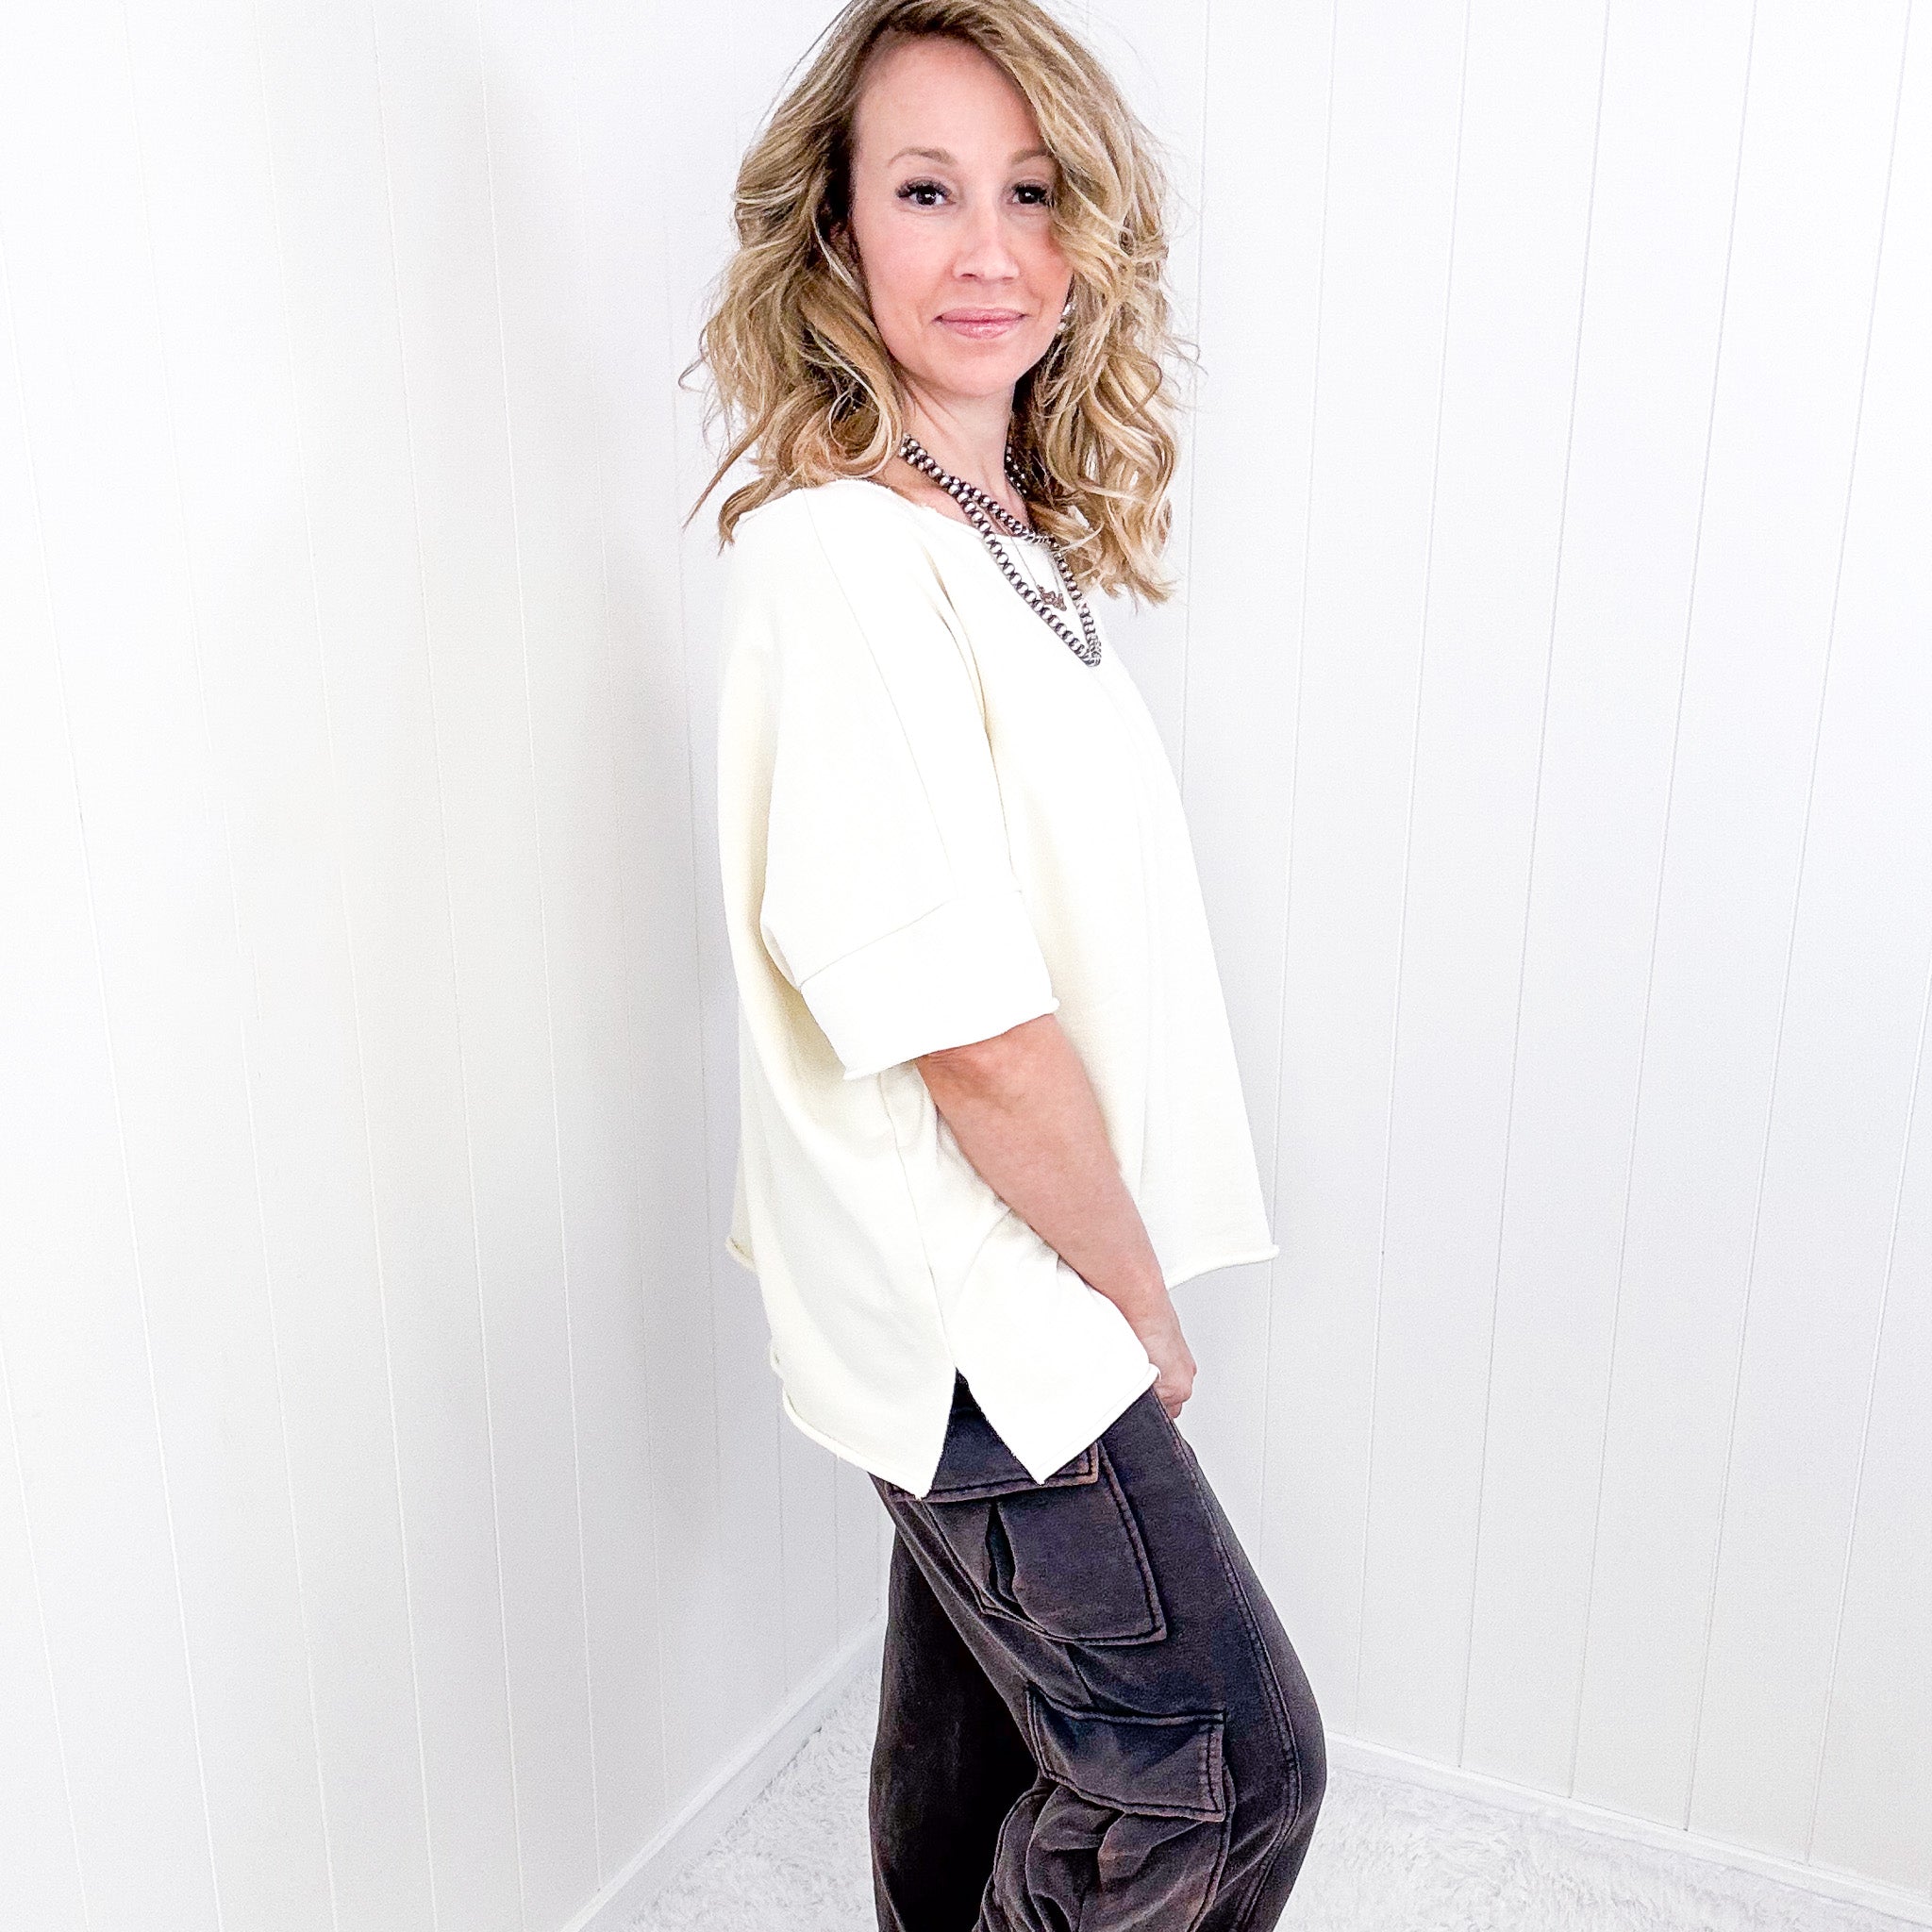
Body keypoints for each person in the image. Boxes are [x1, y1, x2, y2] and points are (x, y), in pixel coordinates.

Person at [690, 1, 1325, 1924]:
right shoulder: (838, 556)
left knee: (986, 1753)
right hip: (981, 1294)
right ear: (837, 229)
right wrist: (1132, 1297)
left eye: (1031, 191)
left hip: (998, 1268)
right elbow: (964, 1028)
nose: (988, 249)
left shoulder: (998, 540)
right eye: (925, 191)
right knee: (1219, 1773)